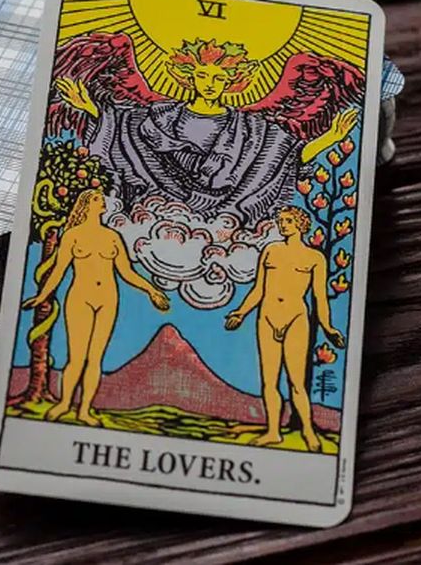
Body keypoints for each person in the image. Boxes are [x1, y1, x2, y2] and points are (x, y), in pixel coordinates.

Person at [54, 39, 357, 226]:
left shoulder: (251, 129)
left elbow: (286, 156)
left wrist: (331, 138)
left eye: (219, 78)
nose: (210, 83)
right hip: (154, 217)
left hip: (225, 225)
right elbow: (125, 129)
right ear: (188, 77)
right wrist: (89, 106)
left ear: (233, 82)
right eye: (202, 75)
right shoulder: (160, 115)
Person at [22, 188, 170, 426]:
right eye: (96, 199)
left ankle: (85, 410)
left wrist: (151, 290)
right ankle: (64, 403)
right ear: (85, 205)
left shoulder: (112, 237)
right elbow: (59, 270)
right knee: (76, 357)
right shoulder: (72, 235)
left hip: (108, 298)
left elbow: (126, 272)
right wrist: (41, 296)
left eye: (101, 199)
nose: (102, 202)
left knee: (95, 359)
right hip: (80, 297)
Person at [225, 206, 345, 451]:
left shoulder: (314, 258)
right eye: (280, 221)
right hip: (267, 317)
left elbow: (320, 297)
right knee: (269, 382)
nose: (282, 224)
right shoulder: (271, 251)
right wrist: (241, 312)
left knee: (296, 382)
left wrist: (328, 327)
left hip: (296, 319)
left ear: (300, 224)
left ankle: (308, 431)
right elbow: (258, 289)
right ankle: (273, 431)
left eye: (288, 220)